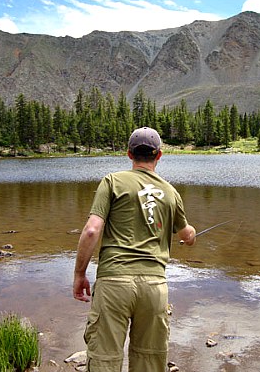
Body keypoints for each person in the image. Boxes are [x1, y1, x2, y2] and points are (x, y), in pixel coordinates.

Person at [73, 126, 196, 372]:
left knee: (104, 360)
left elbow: (91, 231)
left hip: (113, 282)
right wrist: (191, 235)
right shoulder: (171, 192)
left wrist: (79, 274)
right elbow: (186, 234)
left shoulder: (112, 181)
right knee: (150, 361)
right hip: (154, 287)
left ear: (129, 154)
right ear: (159, 155)